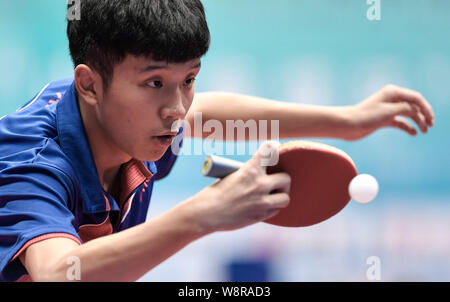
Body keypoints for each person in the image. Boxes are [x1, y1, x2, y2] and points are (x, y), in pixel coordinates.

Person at [0, 0, 434, 282]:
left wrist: (347, 121)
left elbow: (209, 114)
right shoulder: (31, 163)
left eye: (188, 79)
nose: (177, 108)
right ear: (90, 85)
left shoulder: (126, 120)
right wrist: (202, 215)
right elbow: (57, 274)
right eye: (154, 82)